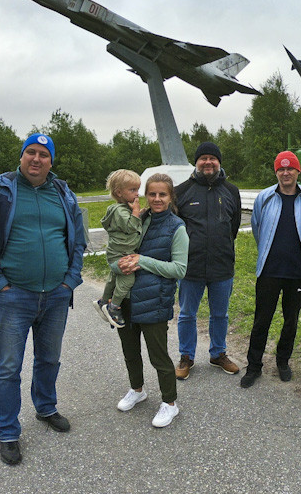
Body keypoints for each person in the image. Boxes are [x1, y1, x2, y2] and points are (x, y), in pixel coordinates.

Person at [0, 133, 86, 465]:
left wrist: (70, 281)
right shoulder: (1, 187)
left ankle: (46, 408)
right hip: (14, 297)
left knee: (49, 359)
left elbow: (77, 240)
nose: (36, 159)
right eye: (30, 153)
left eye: (43, 155)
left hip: (56, 297)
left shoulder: (62, 192)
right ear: (21, 157)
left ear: (51, 161)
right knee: (7, 368)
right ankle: (7, 431)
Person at [114, 173, 189, 427]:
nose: (157, 199)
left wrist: (141, 261)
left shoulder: (177, 227)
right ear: (145, 194)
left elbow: (179, 269)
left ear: (170, 197)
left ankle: (170, 403)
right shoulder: (138, 218)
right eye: (152, 194)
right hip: (127, 298)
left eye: (162, 194)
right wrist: (119, 265)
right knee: (130, 351)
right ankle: (137, 390)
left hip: (155, 300)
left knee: (159, 357)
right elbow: (120, 245)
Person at [241, 151, 301, 388]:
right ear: (276, 172)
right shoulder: (265, 197)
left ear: (297, 171)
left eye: (290, 169)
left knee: (291, 320)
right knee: (261, 320)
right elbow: (257, 228)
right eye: (281, 169)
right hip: (269, 271)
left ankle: (283, 362)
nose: (286, 173)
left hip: (298, 272)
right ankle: (254, 367)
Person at [175, 141, 242, 379]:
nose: (208, 162)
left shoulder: (231, 191)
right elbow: (175, 229)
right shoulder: (181, 191)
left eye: (212, 158)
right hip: (190, 267)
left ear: (219, 162)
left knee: (220, 315)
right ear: (196, 162)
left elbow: (233, 228)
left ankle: (218, 353)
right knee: (186, 314)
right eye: (203, 158)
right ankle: (186, 357)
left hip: (222, 265)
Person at [93, 169, 142, 328]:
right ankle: (113, 306)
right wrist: (136, 213)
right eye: (132, 190)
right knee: (128, 279)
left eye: (138, 189)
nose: (137, 194)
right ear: (119, 192)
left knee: (114, 277)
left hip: (115, 255)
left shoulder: (119, 209)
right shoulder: (121, 211)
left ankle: (102, 300)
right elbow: (130, 227)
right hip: (121, 256)